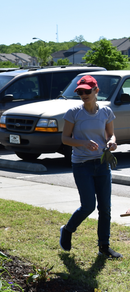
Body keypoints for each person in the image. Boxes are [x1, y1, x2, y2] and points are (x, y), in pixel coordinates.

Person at [59, 75, 122, 259]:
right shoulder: (73, 112)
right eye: (80, 91)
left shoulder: (106, 112)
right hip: (82, 165)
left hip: (102, 163)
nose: (84, 94)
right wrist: (83, 143)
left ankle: (104, 246)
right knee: (88, 206)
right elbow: (65, 139)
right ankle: (68, 229)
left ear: (96, 91)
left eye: (87, 91)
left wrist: (112, 143)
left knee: (105, 208)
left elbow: (111, 135)